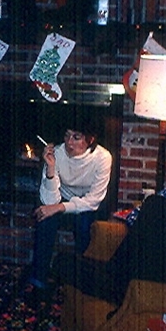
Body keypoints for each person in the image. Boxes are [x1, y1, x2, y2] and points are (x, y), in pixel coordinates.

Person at [53, 129, 166, 306]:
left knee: (155, 203)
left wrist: (163, 233)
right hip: (149, 265)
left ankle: (115, 281)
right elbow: (138, 216)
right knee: (64, 261)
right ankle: (116, 280)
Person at [25, 120, 113, 292]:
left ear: (90, 139)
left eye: (76, 137)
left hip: (87, 204)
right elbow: (49, 200)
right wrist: (50, 168)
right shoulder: (57, 153)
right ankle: (38, 280)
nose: (69, 142)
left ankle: (84, 281)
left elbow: (93, 200)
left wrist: (58, 208)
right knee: (45, 220)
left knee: (84, 224)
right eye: (67, 135)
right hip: (61, 198)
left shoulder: (103, 158)